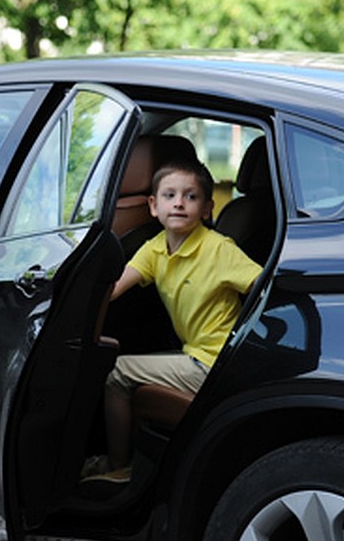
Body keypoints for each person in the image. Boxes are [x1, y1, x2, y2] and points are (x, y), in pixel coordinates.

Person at [84, 157, 262, 484]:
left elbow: (264, 288)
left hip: (214, 362)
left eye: (190, 197)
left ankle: (118, 464)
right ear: (153, 206)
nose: (179, 203)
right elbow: (113, 289)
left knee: (117, 372)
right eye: (169, 196)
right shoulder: (154, 249)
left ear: (207, 209)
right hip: (194, 355)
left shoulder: (219, 249)